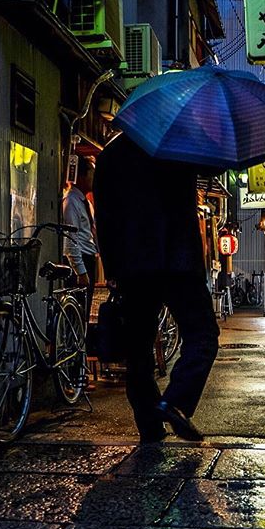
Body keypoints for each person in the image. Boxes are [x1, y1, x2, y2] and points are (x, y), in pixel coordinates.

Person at [93, 132, 220, 443]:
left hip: (133, 265)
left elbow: (105, 218)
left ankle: (150, 426)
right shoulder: (181, 146)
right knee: (202, 335)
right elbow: (212, 168)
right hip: (179, 261)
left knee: (138, 349)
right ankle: (175, 402)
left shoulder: (111, 155)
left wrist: (112, 267)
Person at [62, 155, 98, 321]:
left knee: (84, 310)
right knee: (76, 312)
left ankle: (80, 343)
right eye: (92, 174)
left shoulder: (86, 203)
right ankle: (73, 345)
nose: (94, 179)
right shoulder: (71, 202)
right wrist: (80, 271)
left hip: (89, 258)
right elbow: (70, 240)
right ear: (82, 177)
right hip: (80, 260)